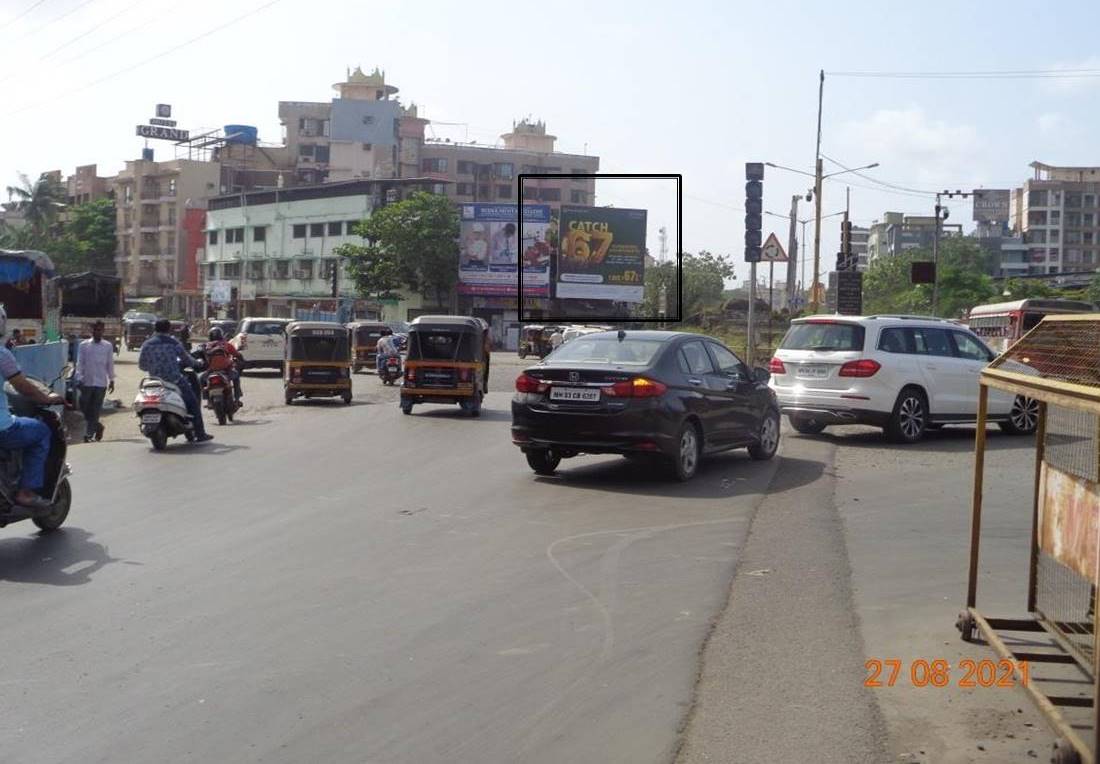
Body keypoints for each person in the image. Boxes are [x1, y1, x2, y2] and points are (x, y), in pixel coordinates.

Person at [0, 307, 65, 510]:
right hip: (3, 429)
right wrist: (47, 398)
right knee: (42, 432)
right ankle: (25, 492)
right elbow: (23, 387)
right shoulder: (3, 355)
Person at [138, 318, 213, 443]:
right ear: (169, 329)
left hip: (154, 382)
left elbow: (142, 366)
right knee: (193, 403)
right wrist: (198, 364)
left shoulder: (147, 344)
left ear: (155, 329)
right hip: (174, 380)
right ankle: (200, 434)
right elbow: (187, 360)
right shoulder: (173, 342)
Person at [75, 320, 115, 443]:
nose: (97, 332)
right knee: (84, 407)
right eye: (95, 330)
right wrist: (78, 377)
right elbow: (80, 363)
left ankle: (89, 434)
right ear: (92, 331)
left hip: (101, 383)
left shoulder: (108, 346)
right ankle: (98, 426)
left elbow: (110, 364)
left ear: (103, 331)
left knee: (95, 409)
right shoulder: (84, 345)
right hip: (86, 381)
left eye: (100, 330)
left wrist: (112, 379)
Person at [201, 327, 244, 403]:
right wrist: (241, 361)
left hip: (211, 370)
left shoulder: (206, 346)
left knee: (201, 379)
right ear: (221, 335)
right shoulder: (226, 345)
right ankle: (237, 398)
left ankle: (206, 397)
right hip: (226, 369)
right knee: (236, 377)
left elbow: (198, 355)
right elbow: (237, 355)